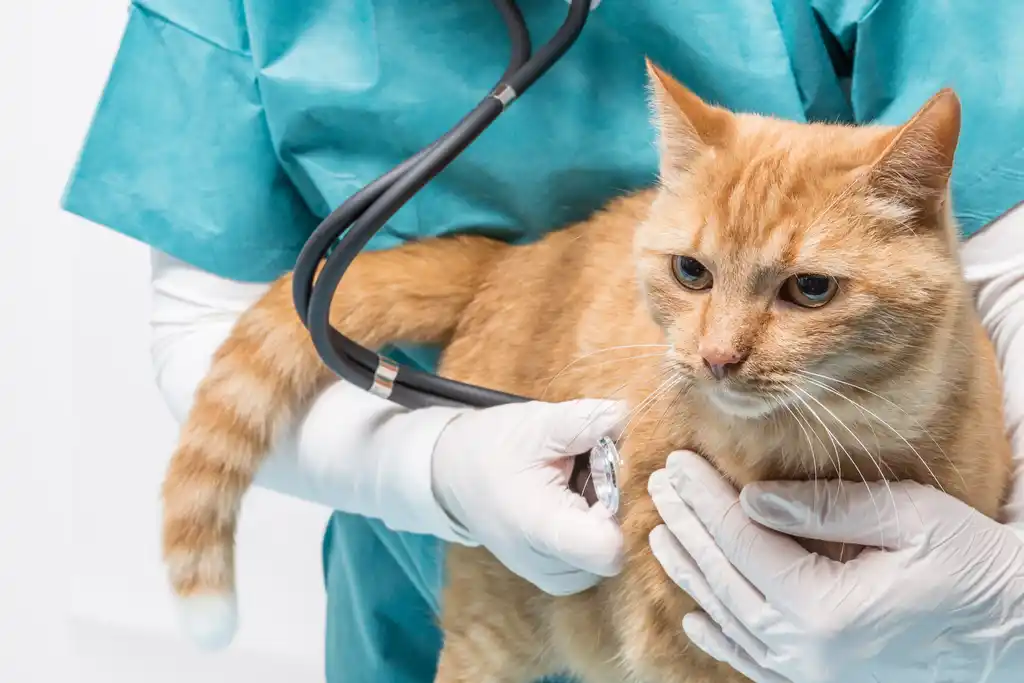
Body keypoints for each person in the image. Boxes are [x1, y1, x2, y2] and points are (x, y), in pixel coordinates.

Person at [63, 1, 1023, 682]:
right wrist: (435, 471)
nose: (722, 348)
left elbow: (1005, 255)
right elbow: (200, 326)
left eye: (807, 289)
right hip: (428, 553)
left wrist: (1006, 599)